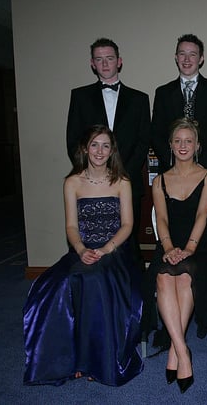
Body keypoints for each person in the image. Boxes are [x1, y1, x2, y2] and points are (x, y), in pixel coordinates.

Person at [23, 125, 143, 386]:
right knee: (56, 285)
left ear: (112, 151)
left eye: (105, 146)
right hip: (82, 249)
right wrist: (81, 250)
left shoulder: (122, 181)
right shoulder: (72, 182)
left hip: (114, 251)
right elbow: (71, 227)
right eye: (94, 145)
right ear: (85, 149)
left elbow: (127, 226)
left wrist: (104, 250)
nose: (100, 151)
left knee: (94, 280)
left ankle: (96, 359)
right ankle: (71, 359)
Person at [141, 119, 207, 393]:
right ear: (171, 146)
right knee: (165, 277)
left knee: (184, 275)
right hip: (168, 243)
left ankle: (176, 352)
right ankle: (181, 350)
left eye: (189, 141)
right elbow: (161, 219)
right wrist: (168, 248)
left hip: (202, 246)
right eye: (178, 141)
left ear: (197, 145)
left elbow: (203, 215)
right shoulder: (160, 180)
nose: (183, 145)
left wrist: (188, 248)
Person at [66, 37, 151, 268]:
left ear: (119, 62)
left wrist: (121, 174)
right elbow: (73, 141)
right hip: (90, 184)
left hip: (128, 179)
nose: (105, 64)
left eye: (110, 59)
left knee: (129, 244)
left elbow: (143, 142)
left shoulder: (139, 99)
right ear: (92, 64)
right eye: (99, 59)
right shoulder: (80, 96)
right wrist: (92, 175)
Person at [151, 34, 207, 192]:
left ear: (201, 59)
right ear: (176, 57)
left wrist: (200, 166)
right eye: (182, 54)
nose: (187, 60)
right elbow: (156, 133)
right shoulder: (163, 93)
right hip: (172, 173)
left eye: (192, 54)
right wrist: (176, 164)